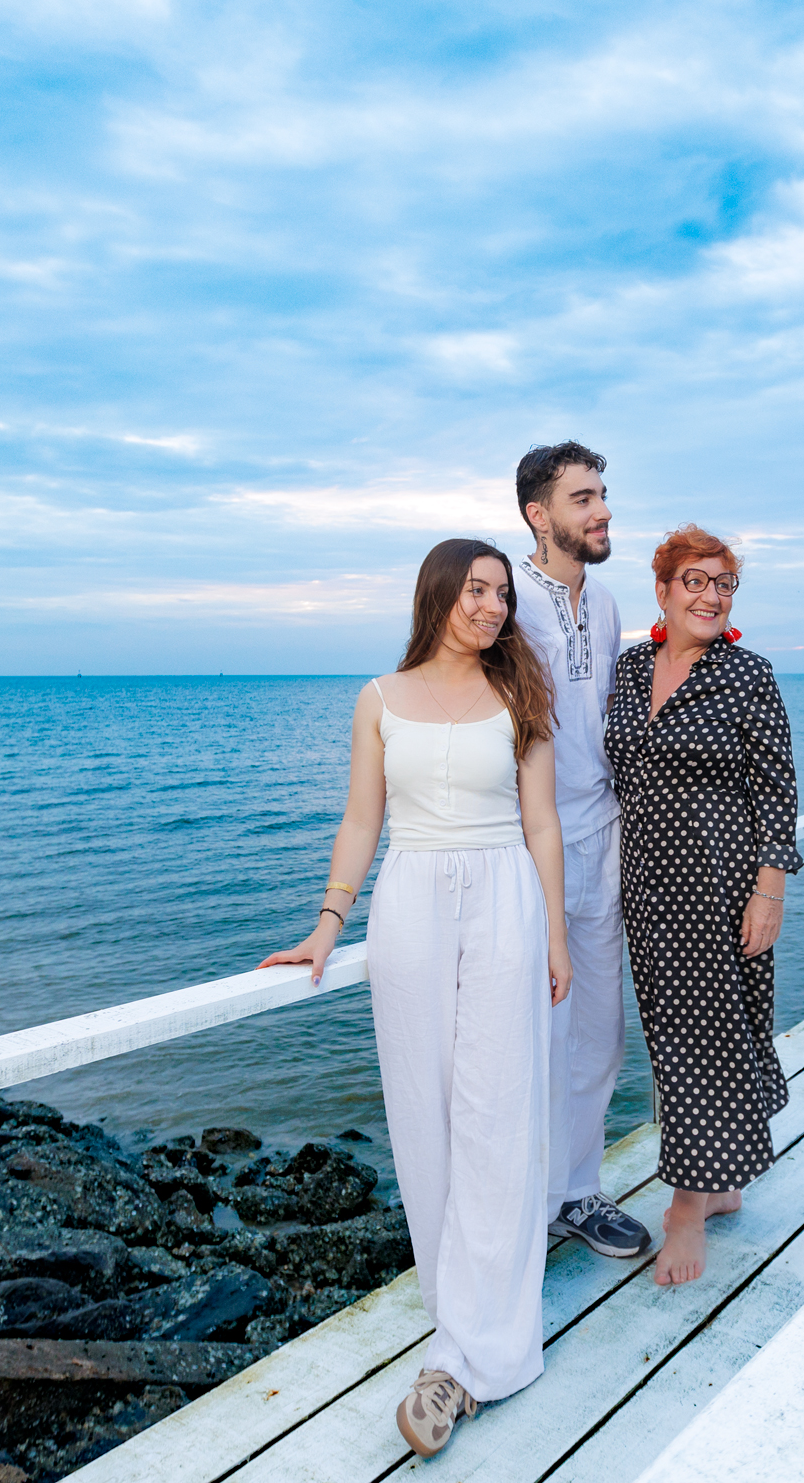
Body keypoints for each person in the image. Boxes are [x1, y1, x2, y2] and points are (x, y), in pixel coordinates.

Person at [259, 539, 573, 1457]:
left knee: (498, 1116)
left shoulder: (521, 693)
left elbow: (542, 821)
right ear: (438, 591)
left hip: (506, 900)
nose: (491, 607)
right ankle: (457, 1312)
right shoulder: (379, 699)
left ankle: (473, 1360)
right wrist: (328, 922)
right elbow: (364, 818)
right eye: (477, 589)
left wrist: (555, 932)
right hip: (408, 906)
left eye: (502, 595)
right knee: (425, 1115)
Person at [603, 525, 802, 1287]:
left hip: (719, 886)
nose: (712, 595)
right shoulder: (627, 671)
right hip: (647, 887)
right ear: (662, 590)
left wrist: (769, 889)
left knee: (712, 1039)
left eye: (724, 584)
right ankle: (720, 1183)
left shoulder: (748, 676)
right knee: (673, 1035)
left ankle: (687, 1202)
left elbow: (778, 790)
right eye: (697, 580)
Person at [511, 442, 654, 1261]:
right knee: (530, 1033)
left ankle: (577, 1193)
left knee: (599, 1031)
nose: (602, 512)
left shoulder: (603, 604)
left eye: (603, 496)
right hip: (525, 846)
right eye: (584, 498)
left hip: (603, 839)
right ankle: (519, 1212)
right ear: (540, 513)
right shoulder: (506, 598)